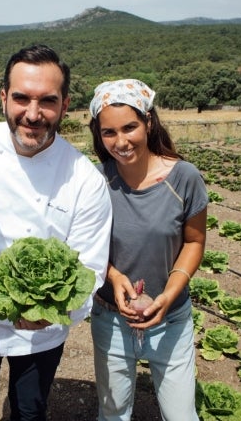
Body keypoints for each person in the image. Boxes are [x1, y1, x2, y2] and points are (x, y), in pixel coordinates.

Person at [0, 44, 112, 420]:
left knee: (29, 410)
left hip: (38, 332)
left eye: (47, 101)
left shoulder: (84, 179)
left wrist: (48, 312)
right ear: (3, 98)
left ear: (64, 105)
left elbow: (90, 268)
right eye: (21, 98)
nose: (33, 114)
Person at [88, 79, 208, 421]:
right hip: (111, 317)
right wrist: (112, 274)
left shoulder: (184, 177)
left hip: (170, 319)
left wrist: (168, 296)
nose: (121, 142)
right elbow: (84, 246)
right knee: (113, 414)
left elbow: (195, 242)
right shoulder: (96, 182)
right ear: (99, 134)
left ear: (149, 122)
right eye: (109, 132)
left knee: (181, 416)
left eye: (130, 127)